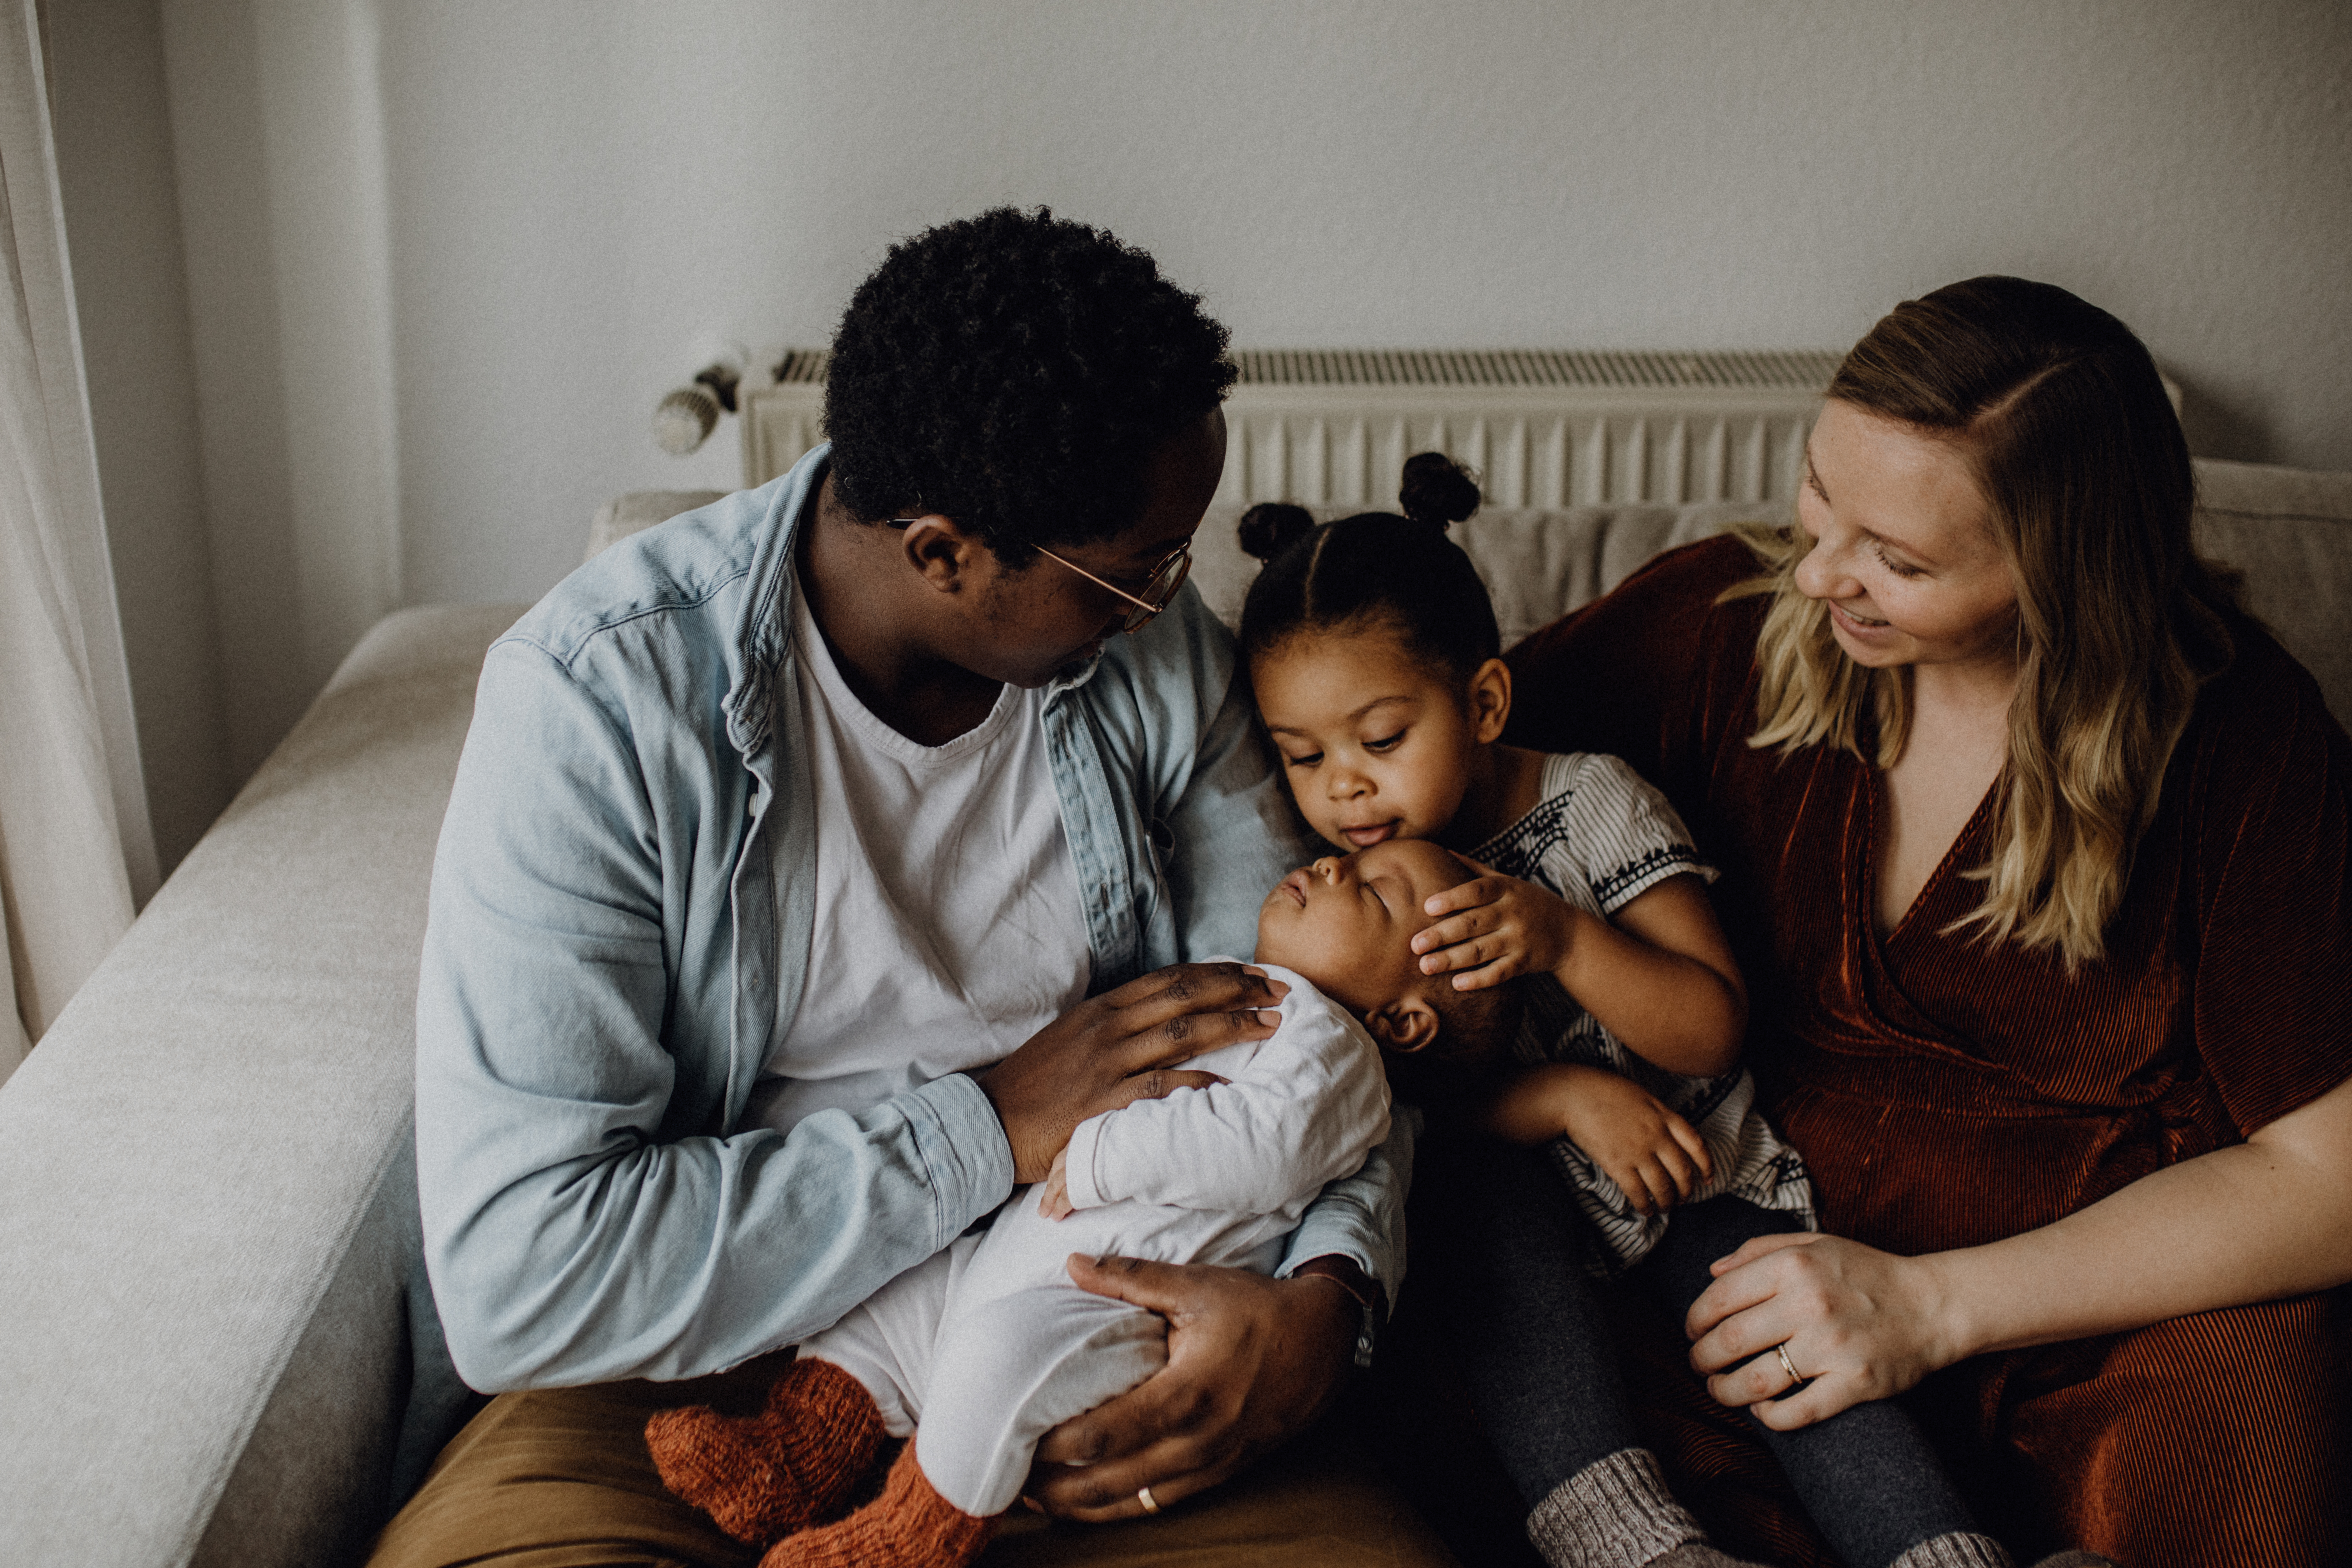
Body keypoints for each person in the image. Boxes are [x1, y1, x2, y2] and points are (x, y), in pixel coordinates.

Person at [371, 209, 1447, 1568]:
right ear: (942, 550)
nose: (1168, 602)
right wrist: (989, 1126)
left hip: (1125, 1307)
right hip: (708, 1376)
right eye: (1131, 570)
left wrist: (1328, 1302)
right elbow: (525, 1279)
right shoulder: (598, 704)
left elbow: (1313, 1028)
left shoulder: (1151, 657)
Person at [1498, 276, 2352, 1567]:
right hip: (1748, 1272)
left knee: (2257, 1412)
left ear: (2067, 575)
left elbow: (2329, 1176)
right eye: (1820, 496)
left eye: (1899, 560)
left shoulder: (2241, 739)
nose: (1824, 572)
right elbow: (1417, 748)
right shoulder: (1721, 624)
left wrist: (1934, 1304)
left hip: (2095, 1314)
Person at [1236, 460, 2097, 1568]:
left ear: (1482, 703)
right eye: (1302, 758)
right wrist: (1554, 1096)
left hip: (1692, 1166)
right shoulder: (1340, 887)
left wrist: (1562, 939)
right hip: (1514, 1211)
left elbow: (1708, 1028)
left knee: (1780, 1332)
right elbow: (1373, 1118)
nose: (1343, 790)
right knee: (1477, 1226)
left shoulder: (1589, 804)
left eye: (1380, 739)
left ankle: (1938, 1551)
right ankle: (1631, 1545)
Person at [639, 839, 1517, 1568]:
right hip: (1015, 1256)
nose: (1331, 866)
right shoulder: (1251, 987)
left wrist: (1097, 1150)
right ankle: (792, 1449)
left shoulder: (1338, 1054)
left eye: (1375, 891)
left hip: (1104, 1307)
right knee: (899, 1295)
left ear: (1403, 1022)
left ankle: (907, 1536)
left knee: (994, 1360)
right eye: (1343, 860)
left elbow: (1263, 1154)